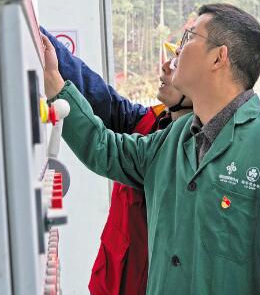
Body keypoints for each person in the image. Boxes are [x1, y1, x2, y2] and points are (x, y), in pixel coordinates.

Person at [43, 3, 260, 294]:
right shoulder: (173, 138)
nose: (177, 52)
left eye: (188, 37)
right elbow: (104, 149)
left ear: (219, 57)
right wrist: (56, 84)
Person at [41, 29, 192, 295]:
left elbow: (100, 147)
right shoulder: (147, 124)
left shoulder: (196, 154)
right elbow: (92, 90)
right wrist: (40, 36)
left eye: (178, 62)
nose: (166, 67)